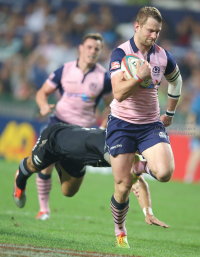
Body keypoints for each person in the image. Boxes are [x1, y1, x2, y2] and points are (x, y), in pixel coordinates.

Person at [13, 123, 169, 242]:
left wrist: (148, 212)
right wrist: (154, 169)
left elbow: (138, 179)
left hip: (75, 156)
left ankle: (60, 162)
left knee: (68, 192)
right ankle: (20, 180)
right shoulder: (116, 148)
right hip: (55, 139)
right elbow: (138, 172)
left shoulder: (125, 150)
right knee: (34, 165)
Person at [106, 6, 182, 248]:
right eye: (150, 30)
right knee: (123, 185)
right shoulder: (120, 53)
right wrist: (139, 77)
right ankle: (120, 231)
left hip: (150, 124)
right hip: (121, 124)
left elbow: (176, 80)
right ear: (137, 26)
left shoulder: (163, 55)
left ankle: (136, 166)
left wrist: (169, 112)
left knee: (165, 173)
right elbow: (117, 93)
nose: (154, 36)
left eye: (158, 32)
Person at [35, 33, 113, 220]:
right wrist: (43, 106)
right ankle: (43, 209)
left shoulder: (103, 77)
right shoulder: (65, 70)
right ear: (81, 48)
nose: (92, 51)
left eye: (96, 49)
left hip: (81, 133)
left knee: (69, 192)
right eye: (89, 47)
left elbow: (111, 104)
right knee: (44, 164)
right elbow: (42, 92)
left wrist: (104, 124)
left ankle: (62, 165)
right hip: (58, 124)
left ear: (100, 51)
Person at [184, 91, 200, 183]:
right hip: (198, 129)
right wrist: (190, 128)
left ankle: (188, 177)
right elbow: (193, 113)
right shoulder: (198, 98)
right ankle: (189, 177)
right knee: (197, 151)